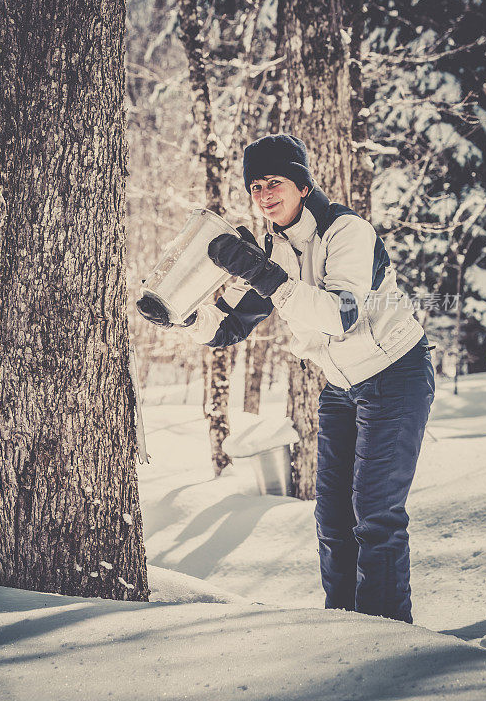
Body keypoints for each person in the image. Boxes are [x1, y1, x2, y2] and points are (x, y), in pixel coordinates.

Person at [137, 133, 435, 624]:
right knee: (334, 520)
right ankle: (341, 627)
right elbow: (231, 326)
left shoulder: (346, 232)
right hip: (340, 387)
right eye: (255, 187)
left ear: (301, 182)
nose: (264, 195)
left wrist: (261, 271)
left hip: (395, 375)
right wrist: (183, 315)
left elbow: (340, 314)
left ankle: (388, 635)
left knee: (375, 515)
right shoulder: (274, 248)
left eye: (274, 182)